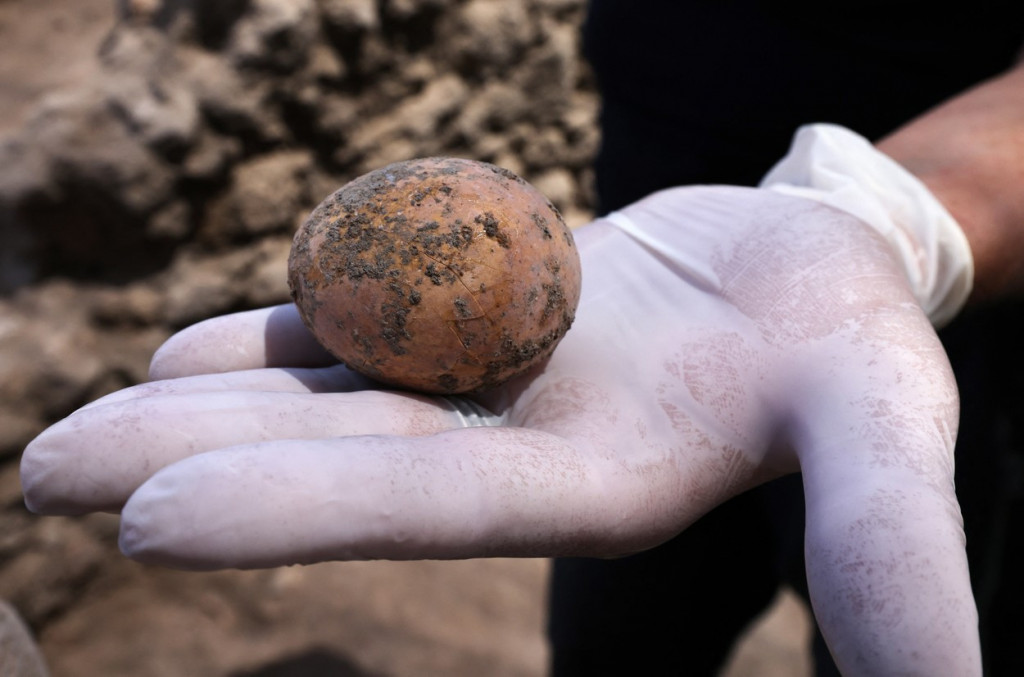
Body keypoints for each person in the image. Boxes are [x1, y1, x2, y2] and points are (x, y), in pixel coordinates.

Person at [19, 4, 1024, 676]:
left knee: (868, 583)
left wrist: (893, 210)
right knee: (619, 625)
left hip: (899, 294)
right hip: (655, 229)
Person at [549, 3, 1024, 675]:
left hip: (911, 312)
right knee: (612, 636)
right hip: (646, 264)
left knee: (882, 611)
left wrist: (885, 215)